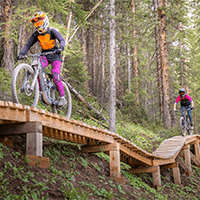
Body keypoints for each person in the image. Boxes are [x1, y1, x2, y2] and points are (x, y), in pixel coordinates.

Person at [17, 11, 66, 106]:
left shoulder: (52, 31)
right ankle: (41, 92)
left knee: (55, 76)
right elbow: (28, 44)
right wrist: (22, 53)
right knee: (37, 69)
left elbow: (62, 39)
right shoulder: (36, 34)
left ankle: (62, 97)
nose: (38, 26)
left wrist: (61, 48)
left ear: (45, 22)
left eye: (40, 23)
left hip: (55, 55)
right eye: (36, 24)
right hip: (45, 56)